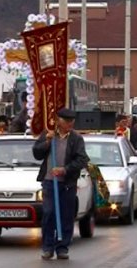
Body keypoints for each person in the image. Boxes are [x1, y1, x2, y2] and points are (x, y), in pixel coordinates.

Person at [32, 108, 89, 260]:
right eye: (67, 121)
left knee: (66, 215)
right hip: (49, 181)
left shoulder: (76, 139)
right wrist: (47, 142)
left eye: (72, 121)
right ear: (59, 121)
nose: (70, 124)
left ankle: (62, 247)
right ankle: (47, 247)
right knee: (49, 213)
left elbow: (82, 160)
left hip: (67, 183)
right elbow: (36, 153)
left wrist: (65, 170)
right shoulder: (48, 134)